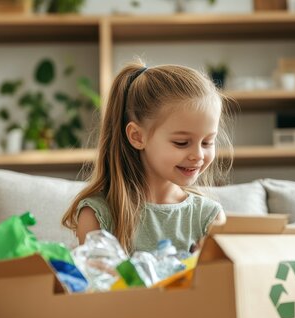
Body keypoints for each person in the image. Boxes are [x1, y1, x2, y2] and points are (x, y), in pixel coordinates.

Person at [62, 60, 232, 254]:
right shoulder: (97, 214)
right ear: (137, 136)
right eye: (181, 143)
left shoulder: (209, 217)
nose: (198, 155)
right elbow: (97, 282)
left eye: (207, 142)